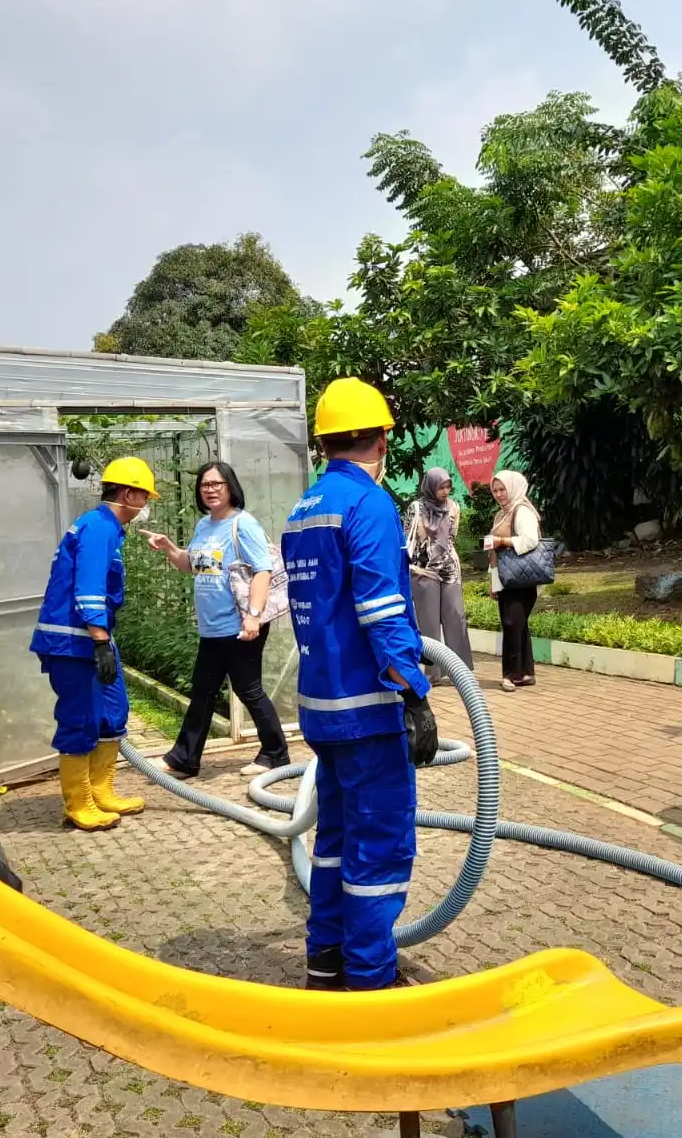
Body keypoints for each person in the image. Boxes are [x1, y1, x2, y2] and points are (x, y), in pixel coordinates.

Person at [284, 377, 439, 991]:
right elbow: (380, 609)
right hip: (369, 710)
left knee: (335, 839)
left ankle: (325, 960)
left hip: (322, 708)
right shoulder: (368, 505)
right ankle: (370, 980)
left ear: (324, 442)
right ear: (380, 439)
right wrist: (413, 694)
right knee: (379, 845)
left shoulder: (305, 509)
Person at [30, 457, 156, 832]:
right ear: (129, 493)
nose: (145, 507)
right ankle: (78, 802)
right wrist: (100, 640)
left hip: (95, 639)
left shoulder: (107, 528)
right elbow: (88, 587)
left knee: (113, 713)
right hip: (75, 642)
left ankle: (102, 790)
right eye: (144, 498)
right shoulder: (99, 528)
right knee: (80, 717)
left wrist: (103, 641)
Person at [144, 461, 291, 778]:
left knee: (248, 689)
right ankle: (184, 759)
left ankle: (276, 753)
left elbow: (262, 571)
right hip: (212, 627)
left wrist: (253, 618)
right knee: (203, 689)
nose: (209, 490)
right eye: (204, 485)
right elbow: (192, 565)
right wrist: (169, 548)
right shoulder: (203, 526)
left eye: (216, 484)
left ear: (230, 487)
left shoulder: (243, 525)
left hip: (239, 625)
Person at [405, 467, 474, 686]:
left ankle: (459, 671)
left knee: (456, 617)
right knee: (429, 622)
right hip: (423, 570)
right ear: (430, 486)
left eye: (447, 487)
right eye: (440, 486)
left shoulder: (454, 507)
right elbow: (407, 537)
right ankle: (432, 673)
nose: (445, 491)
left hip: (449, 569)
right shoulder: (415, 508)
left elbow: (451, 538)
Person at [489, 470, 543, 692]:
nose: (499, 494)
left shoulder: (522, 511)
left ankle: (510, 674)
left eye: (503, 489)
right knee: (517, 625)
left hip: (521, 579)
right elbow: (493, 552)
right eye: (495, 490)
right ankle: (526, 672)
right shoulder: (502, 513)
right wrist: (493, 582)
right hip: (507, 578)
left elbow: (530, 540)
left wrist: (501, 540)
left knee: (512, 624)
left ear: (513, 488)